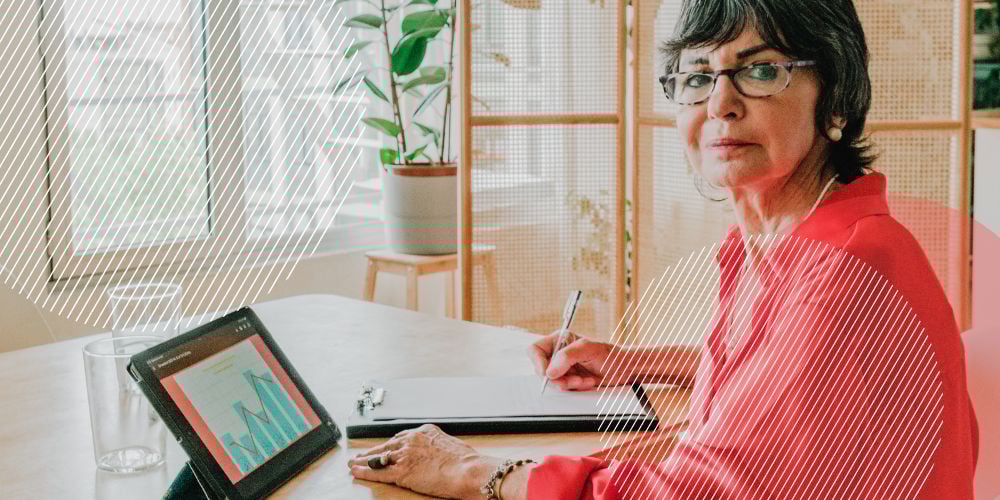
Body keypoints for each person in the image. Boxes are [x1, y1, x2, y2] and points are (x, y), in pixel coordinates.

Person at [348, 0, 979, 497]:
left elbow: (697, 491)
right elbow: (779, 382)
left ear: (835, 98)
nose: (721, 104)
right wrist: (633, 363)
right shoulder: (796, 238)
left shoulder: (846, 271)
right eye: (698, 76)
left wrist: (472, 471)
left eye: (761, 70)